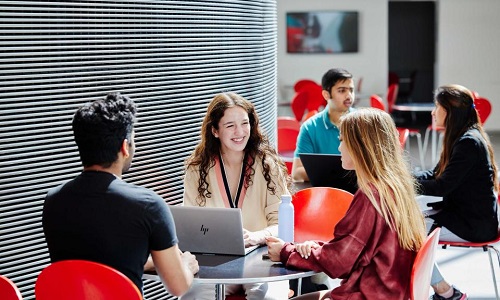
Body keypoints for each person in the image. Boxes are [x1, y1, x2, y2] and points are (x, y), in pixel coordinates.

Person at [42, 93, 199, 297]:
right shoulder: (148, 205)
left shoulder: (54, 200)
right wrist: (185, 265)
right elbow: (178, 286)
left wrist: (144, 262)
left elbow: (93, 264)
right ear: (125, 146)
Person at [267, 108, 427, 299]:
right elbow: (354, 248)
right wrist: (313, 247)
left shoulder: (370, 196)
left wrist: (285, 252)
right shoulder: (395, 188)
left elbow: (340, 262)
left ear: (361, 146)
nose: (339, 147)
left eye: (342, 140)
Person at [182, 92, 292, 300]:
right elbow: (192, 227)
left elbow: (283, 224)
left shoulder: (267, 164)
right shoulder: (197, 170)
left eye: (244, 123)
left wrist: (255, 237)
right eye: (230, 125)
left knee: (267, 298)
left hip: (264, 260)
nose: (240, 132)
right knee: (192, 297)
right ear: (215, 130)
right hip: (215, 264)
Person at [415, 84, 499, 300]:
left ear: (450, 111)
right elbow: (435, 175)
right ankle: (442, 290)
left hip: (472, 225)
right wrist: (406, 177)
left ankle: (446, 292)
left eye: (437, 106)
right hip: (463, 216)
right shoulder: (461, 137)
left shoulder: (468, 143)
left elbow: (442, 186)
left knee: (406, 235)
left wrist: (404, 184)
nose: (433, 112)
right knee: (404, 227)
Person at [291, 68, 355, 183]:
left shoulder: (363, 123)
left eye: (351, 90)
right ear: (326, 94)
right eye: (342, 90)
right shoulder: (310, 127)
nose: (349, 95)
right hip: (324, 193)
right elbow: (297, 173)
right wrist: (342, 173)